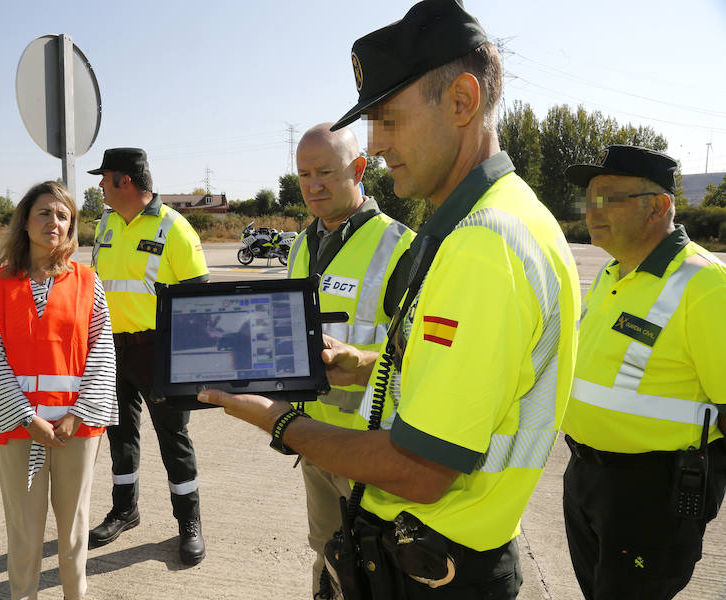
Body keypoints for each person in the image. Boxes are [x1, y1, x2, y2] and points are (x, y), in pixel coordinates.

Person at [199, 1, 580, 598]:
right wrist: (373, 364)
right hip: (435, 549)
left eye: (390, 121)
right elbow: (475, 382)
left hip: (434, 560)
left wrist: (278, 421)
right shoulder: (502, 217)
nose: (375, 147)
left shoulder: (486, 244)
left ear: (461, 101)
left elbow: (419, 469)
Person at [561, 145, 726, 600]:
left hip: (652, 495)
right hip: (586, 479)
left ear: (658, 207)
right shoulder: (614, 275)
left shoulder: (705, 285)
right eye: (588, 199)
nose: (590, 211)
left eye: (608, 198)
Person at [0, 180, 117, 600]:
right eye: (44, 213)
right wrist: (25, 416)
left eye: (62, 215)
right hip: (19, 428)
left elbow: (103, 353)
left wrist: (79, 413)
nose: (52, 222)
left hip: (77, 428)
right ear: (25, 220)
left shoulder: (88, 281)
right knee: (24, 531)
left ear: (71, 226)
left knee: (73, 530)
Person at [287, 122, 414, 594]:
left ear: (359, 169)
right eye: (303, 174)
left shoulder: (401, 246)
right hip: (314, 439)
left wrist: (361, 360)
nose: (313, 185)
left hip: (373, 448)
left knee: (379, 563)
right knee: (324, 552)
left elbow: (422, 355)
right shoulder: (301, 244)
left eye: (325, 171)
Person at [87, 147, 210, 565]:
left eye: (105, 177)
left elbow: (199, 301)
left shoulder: (174, 229)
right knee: (119, 437)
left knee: (173, 441)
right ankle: (125, 510)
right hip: (109, 349)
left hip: (159, 352)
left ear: (125, 181)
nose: (100, 183)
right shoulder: (104, 223)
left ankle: (188, 523)